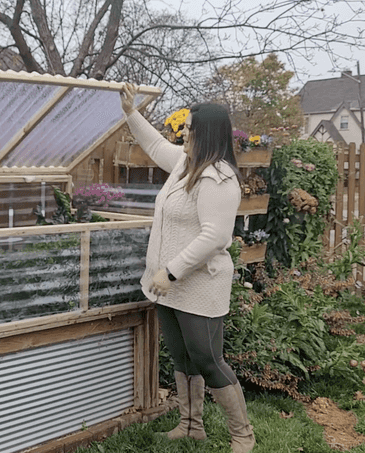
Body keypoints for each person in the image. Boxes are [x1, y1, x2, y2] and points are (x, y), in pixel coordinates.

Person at [120, 84, 255, 453]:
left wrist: (171, 271)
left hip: (198, 284)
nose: (184, 133)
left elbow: (214, 236)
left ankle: (243, 435)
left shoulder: (220, 178)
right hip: (169, 285)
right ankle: (191, 425)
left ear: (208, 132)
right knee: (182, 357)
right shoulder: (186, 163)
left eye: (191, 127)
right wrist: (131, 112)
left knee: (208, 360)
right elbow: (154, 145)